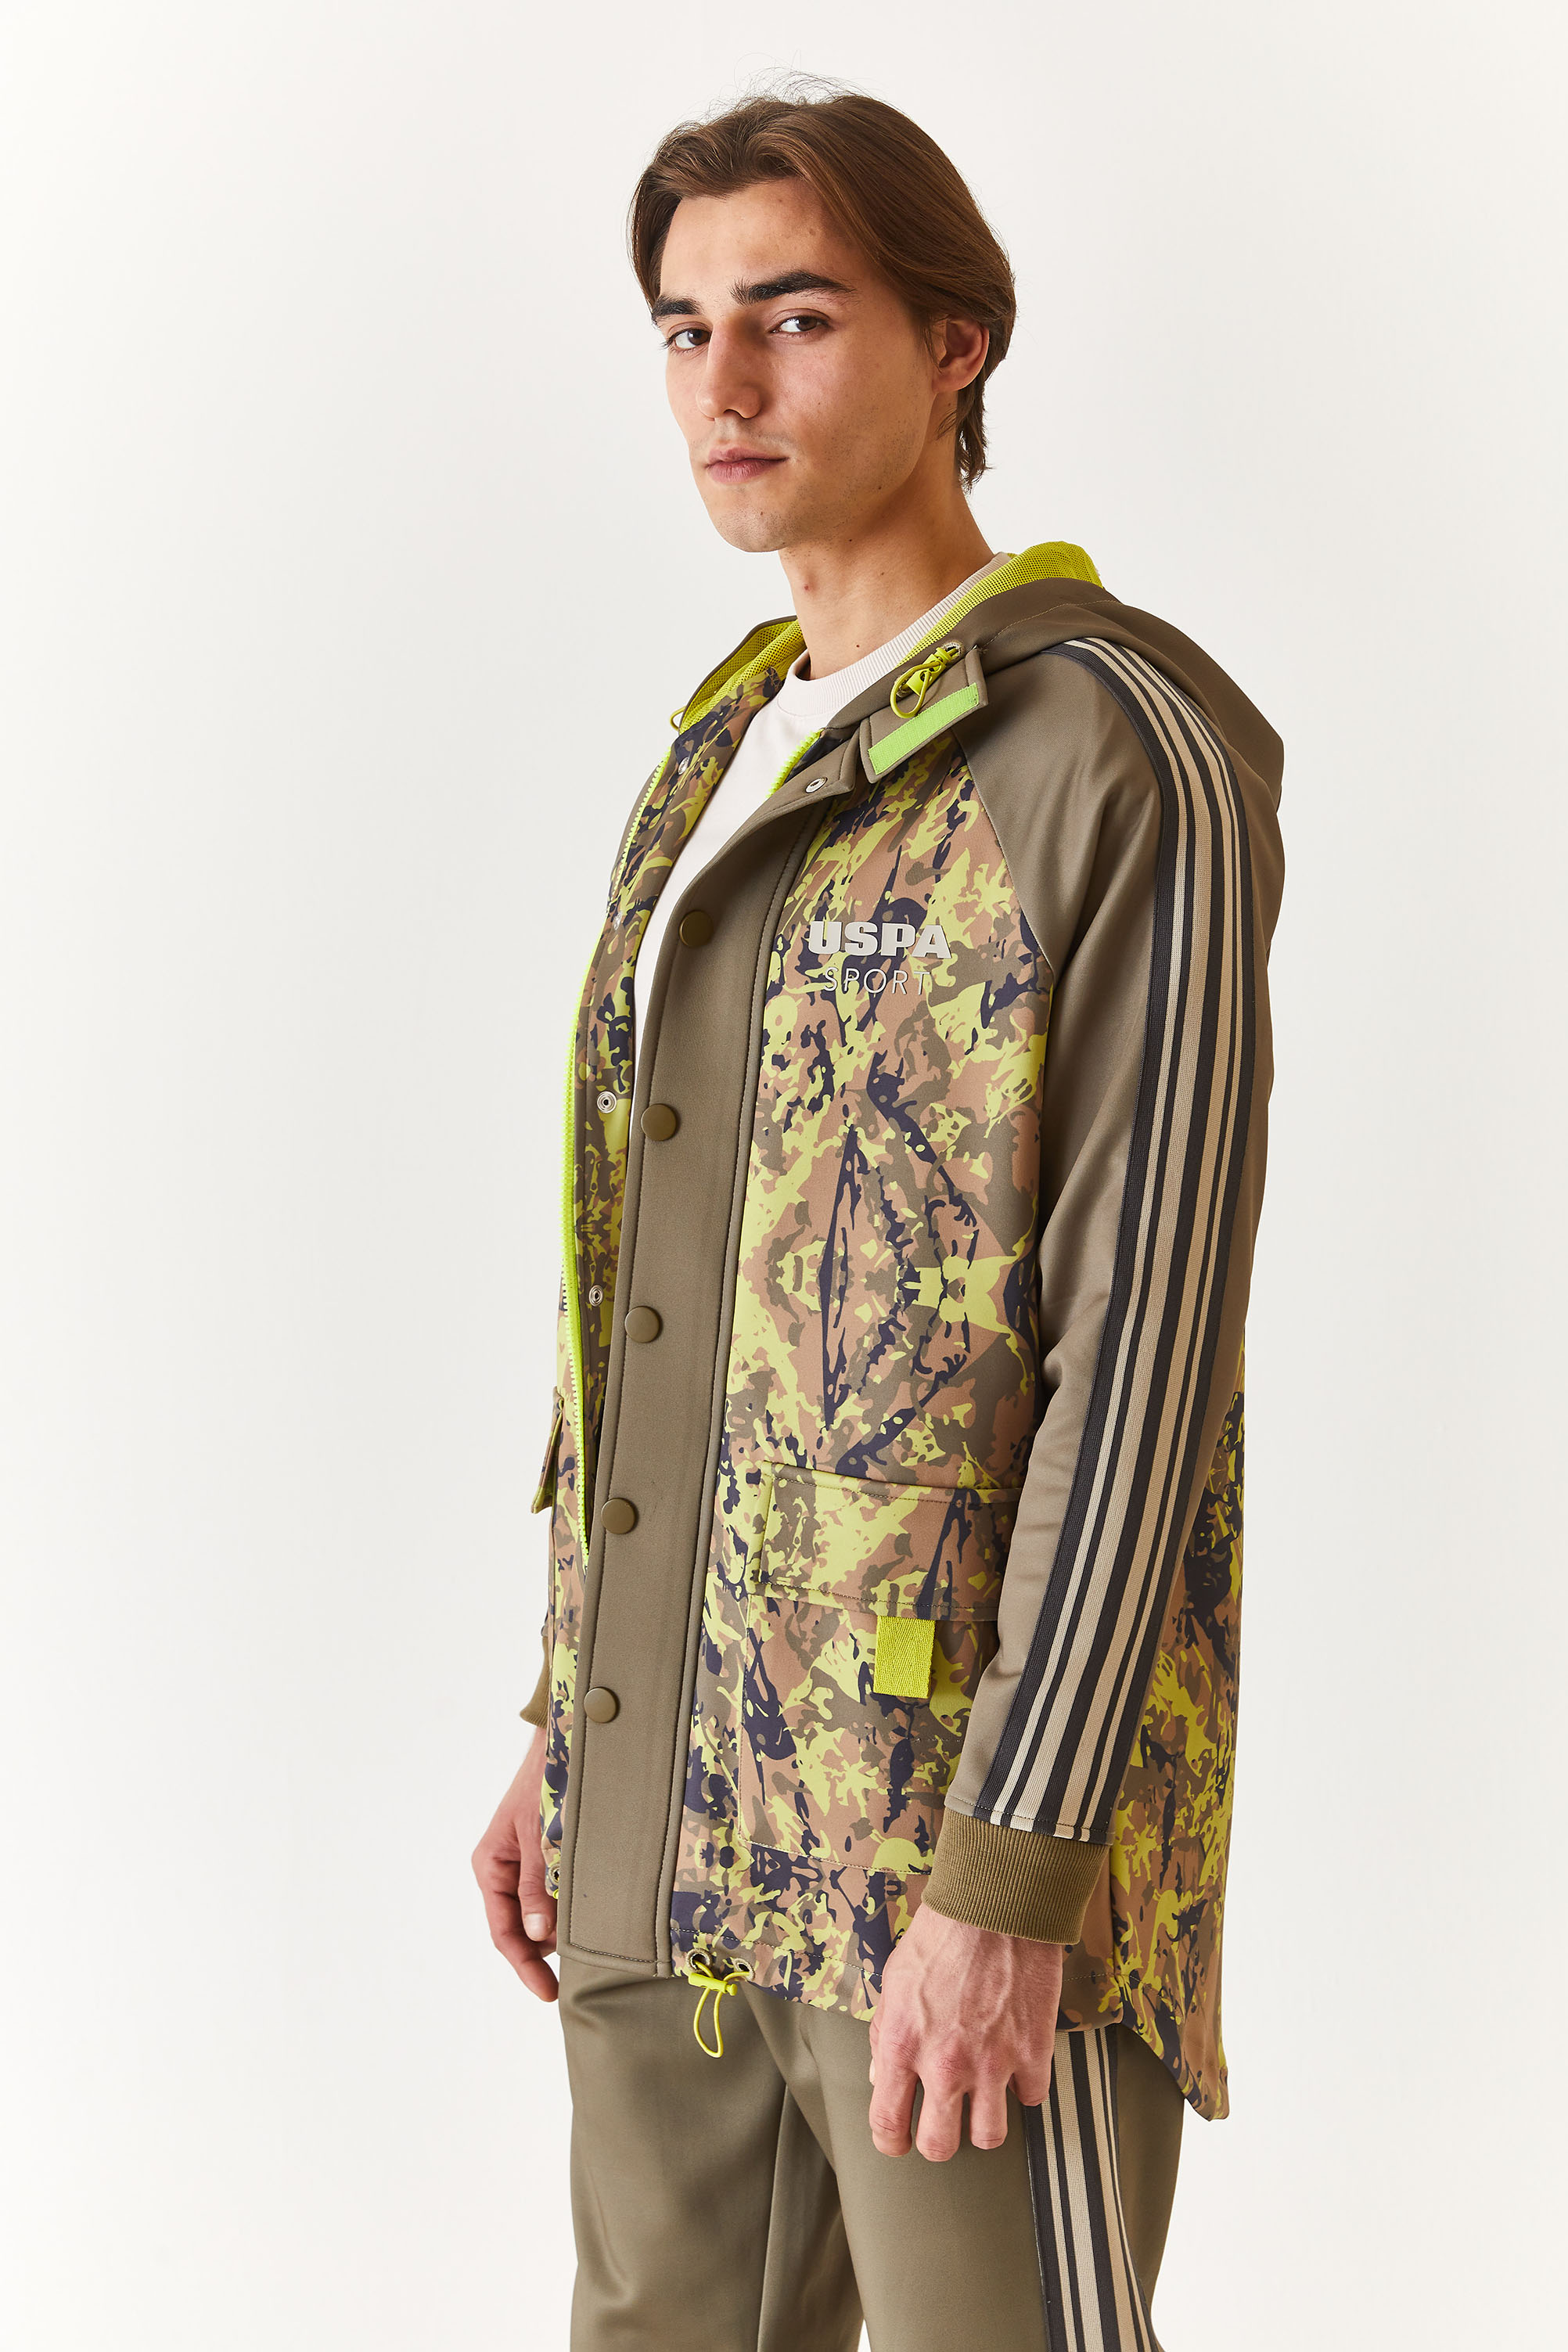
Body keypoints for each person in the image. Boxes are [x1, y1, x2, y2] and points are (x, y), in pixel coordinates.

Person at [473, 86, 1284, 2352]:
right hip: (672, 1825)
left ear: (954, 346)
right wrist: (570, 1715)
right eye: (683, 327)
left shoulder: (1105, 748)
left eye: (796, 316)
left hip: (955, 1857)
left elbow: (1141, 1355)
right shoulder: (722, 747)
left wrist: (1014, 1872)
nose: (722, 383)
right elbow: (666, 1290)